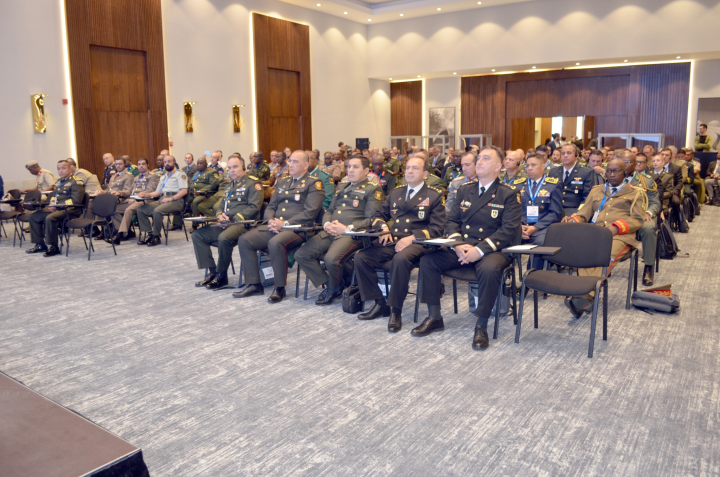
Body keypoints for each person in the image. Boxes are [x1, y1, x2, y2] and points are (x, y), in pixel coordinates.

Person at [415, 146, 522, 350]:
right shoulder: (464, 189)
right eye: (478, 158)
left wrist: (479, 250)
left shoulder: (508, 194)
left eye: (486, 159)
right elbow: (451, 221)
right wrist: (458, 245)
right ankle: (434, 317)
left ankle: (481, 325)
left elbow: (508, 230)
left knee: (490, 270)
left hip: (493, 250)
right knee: (428, 261)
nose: (479, 162)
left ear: (499, 166)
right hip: (463, 247)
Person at [353, 156, 446, 331]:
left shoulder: (434, 195)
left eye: (415, 168)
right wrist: (384, 228)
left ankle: (396, 310)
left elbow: (437, 229)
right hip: (394, 239)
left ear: (425, 173)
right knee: (362, 258)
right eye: (408, 168)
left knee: (400, 260)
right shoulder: (396, 192)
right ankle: (381, 303)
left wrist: (411, 238)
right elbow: (378, 215)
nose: (409, 172)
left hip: (419, 243)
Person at [235, 151, 325, 303]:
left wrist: (285, 224)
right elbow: (271, 206)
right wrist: (270, 220)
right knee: (245, 240)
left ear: (306, 164)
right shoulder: (283, 182)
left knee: (275, 243)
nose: (291, 164)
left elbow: (310, 212)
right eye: (290, 161)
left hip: (299, 228)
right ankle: (254, 284)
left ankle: (279, 288)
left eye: (296, 162)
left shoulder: (313, 183)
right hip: (276, 226)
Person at [561, 158, 647, 316]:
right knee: (582, 253)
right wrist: (572, 221)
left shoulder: (635, 193)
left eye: (616, 171)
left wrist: (616, 227)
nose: (612, 174)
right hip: (596, 233)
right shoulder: (597, 190)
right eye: (609, 171)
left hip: (621, 236)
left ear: (625, 172)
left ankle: (587, 296)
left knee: (604, 256)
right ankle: (583, 295)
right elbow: (583, 214)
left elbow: (637, 220)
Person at [295, 155, 383, 305]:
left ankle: (333, 290)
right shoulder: (342, 187)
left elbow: (371, 219)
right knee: (302, 254)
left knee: (331, 260)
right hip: (331, 231)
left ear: (366, 170)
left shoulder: (373, 190)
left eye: (355, 167)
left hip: (351, 235)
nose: (350, 170)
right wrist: (327, 223)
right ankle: (333, 285)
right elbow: (329, 210)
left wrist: (347, 228)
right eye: (348, 167)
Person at [191, 156, 264, 289]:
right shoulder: (230, 185)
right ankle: (212, 273)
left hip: (243, 223)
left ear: (243, 167)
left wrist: (234, 219)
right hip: (226, 223)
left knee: (223, 238)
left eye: (235, 167)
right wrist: (219, 215)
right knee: (198, 235)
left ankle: (222, 276)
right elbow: (220, 205)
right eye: (229, 168)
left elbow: (254, 207)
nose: (232, 170)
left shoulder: (253, 183)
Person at [513, 153, 562, 270]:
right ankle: (507, 279)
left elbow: (555, 213)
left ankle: (530, 278)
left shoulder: (553, 185)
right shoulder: (518, 185)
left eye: (533, 165)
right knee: (504, 239)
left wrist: (535, 228)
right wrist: (520, 226)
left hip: (541, 228)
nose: (529, 168)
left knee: (541, 243)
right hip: (521, 227)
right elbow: (513, 210)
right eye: (527, 165)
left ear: (543, 166)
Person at [26, 159, 85, 257]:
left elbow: (76, 201)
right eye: (58, 169)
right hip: (57, 208)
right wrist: (52, 203)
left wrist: (57, 206)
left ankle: (54, 247)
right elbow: (54, 195)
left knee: (50, 218)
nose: (60, 171)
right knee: (33, 216)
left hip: (71, 210)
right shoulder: (59, 181)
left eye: (63, 168)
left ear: (70, 169)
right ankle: (40, 244)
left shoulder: (77, 181)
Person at [623, 152, 661, 286]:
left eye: (629, 162)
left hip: (641, 215)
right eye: (624, 162)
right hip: (621, 215)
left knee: (649, 228)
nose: (626, 165)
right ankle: (604, 262)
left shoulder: (646, 180)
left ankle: (648, 268)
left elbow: (655, 203)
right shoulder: (614, 176)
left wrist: (649, 213)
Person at [136, 155, 189, 246]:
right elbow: (157, 192)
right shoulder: (163, 176)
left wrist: (170, 198)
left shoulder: (180, 174)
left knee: (157, 211)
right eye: (165, 162)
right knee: (141, 210)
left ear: (174, 162)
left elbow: (184, 191)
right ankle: (150, 234)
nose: (166, 163)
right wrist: (146, 194)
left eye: (169, 161)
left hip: (176, 200)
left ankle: (156, 237)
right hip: (163, 199)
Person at [110, 158, 160, 243]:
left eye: (143, 164)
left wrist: (135, 198)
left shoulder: (152, 176)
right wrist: (119, 193)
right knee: (114, 210)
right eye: (139, 164)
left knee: (129, 210)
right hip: (133, 200)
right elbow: (130, 191)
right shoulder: (137, 177)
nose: (141, 166)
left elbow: (149, 190)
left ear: (147, 165)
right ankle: (124, 231)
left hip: (146, 200)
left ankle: (119, 235)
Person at [92, 156, 134, 235]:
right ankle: (105, 231)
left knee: (112, 210)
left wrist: (119, 193)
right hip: (112, 200)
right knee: (100, 206)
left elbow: (128, 191)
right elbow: (108, 190)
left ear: (124, 164)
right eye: (116, 164)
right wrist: (101, 192)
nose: (118, 166)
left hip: (122, 200)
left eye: (120, 164)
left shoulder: (128, 176)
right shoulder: (114, 175)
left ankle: (120, 232)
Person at [547, 144, 593, 215]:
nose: (565, 155)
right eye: (563, 153)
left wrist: (579, 213)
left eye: (569, 153)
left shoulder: (585, 172)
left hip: (575, 211)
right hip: (555, 211)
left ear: (576, 156)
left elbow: (587, 198)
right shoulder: (553, 172)